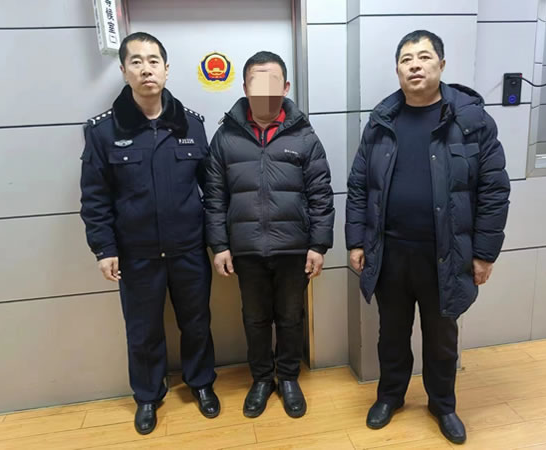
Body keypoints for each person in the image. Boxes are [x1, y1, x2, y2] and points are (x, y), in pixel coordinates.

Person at [345, 30, 510, 444]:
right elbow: (360, 186)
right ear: (398, 70)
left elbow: (494, 190)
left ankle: (443, 405)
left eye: (423, 57)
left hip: (447, 254)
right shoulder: (381, 122)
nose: (415, 65)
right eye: (406, 59)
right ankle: (390, 396)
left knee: (441, 338)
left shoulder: (471, 121)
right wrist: (356, 241)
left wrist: (484, 253)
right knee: (391, 333)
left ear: (442, 64)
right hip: (390, 252)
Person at [80, 32, 219, 435]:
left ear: (166, 69)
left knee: (197, 322)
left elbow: (212, 190)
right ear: (124, 71)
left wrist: (217, 242)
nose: (146, 69)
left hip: (188, 249)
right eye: (136, 62)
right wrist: (104, 249)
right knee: (142, 331)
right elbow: (95, 197)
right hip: (136, 253)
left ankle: (201, 383)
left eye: (154, 61)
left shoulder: (192, 124)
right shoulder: (103, 131)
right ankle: (147, 395)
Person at [204, 51, 334, 419]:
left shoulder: (304, 136)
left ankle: (288, 377)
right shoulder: (225, 137)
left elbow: (321, 194)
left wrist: (318, 245)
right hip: (246, 250)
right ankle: (262, 379)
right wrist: (220, 245)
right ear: (245, 88)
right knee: (255, 319)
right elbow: (214, 197)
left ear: (286, 87)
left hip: (294, 249)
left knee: (291, 317)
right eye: (256, 83)